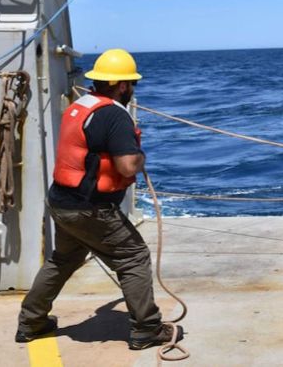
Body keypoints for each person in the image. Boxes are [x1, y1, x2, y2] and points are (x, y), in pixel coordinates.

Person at [15, 49, 182, 350]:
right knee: (133, 256)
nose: (132, 89)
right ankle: (146, 329)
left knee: (64, 258)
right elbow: (127, 166)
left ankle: (31, 322)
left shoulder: (81, 105)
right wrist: (141, 156)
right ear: (121, 85)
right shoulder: (114, 115)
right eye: (131, 83)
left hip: (61, 202)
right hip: (90, 209)